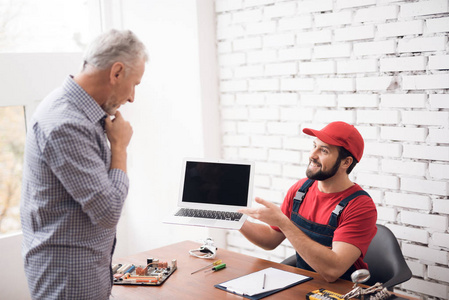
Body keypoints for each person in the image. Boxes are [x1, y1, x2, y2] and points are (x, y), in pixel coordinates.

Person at [20, 29, 148, 299]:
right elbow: (108, 212)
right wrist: (120, 149)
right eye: (135, 83)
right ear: (116, 72)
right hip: (68, 280)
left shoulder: (79, 113)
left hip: (82, 272)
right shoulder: (66, 124)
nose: (133, 97)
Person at [239, 121, 377, 282]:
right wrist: (234, 219)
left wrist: (283, 222)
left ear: (346, 162)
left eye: (324, 150)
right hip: (304, 283)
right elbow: (271, 239)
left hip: (342, 290)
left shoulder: (360, 206)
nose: (312, 155)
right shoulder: (300, 190)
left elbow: (333, 270)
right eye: (314, 146)